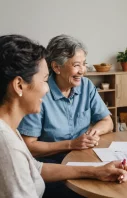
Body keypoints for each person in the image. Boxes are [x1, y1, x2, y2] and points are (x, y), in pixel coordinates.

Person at [0, 34, 127, 198]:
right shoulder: (8, 145)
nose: (47, 89)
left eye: (84, 64)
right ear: (19, 85)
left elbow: (35, 168)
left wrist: (95, 171)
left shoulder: (11, 132)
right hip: (53, 159)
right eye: (43, 80)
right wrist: (72, 146)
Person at [18, 35, 113, 164]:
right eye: (76, 65)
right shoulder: (39, 93)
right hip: (51, 166)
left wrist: (91, 135)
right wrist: (71, 144)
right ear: (56, 67)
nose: (82, 71)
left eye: (84, 64)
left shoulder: (87, 86)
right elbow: (29, 146)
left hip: (84, 158)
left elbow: (107, 121)